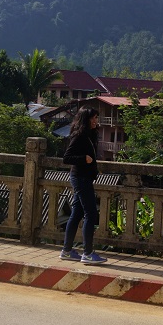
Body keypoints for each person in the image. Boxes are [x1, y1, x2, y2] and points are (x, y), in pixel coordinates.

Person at [59, 106, 108, 265]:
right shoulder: (79, 136)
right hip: (81, 178)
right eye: (93, 118)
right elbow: (67, 158)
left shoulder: (89, 134)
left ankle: (67, 251)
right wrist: (84, 158)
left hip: (84, 178)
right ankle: (87, 253)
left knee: (77, 213)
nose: (95, 121)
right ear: (85, 119)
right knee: (91, 213)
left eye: (96, 117)